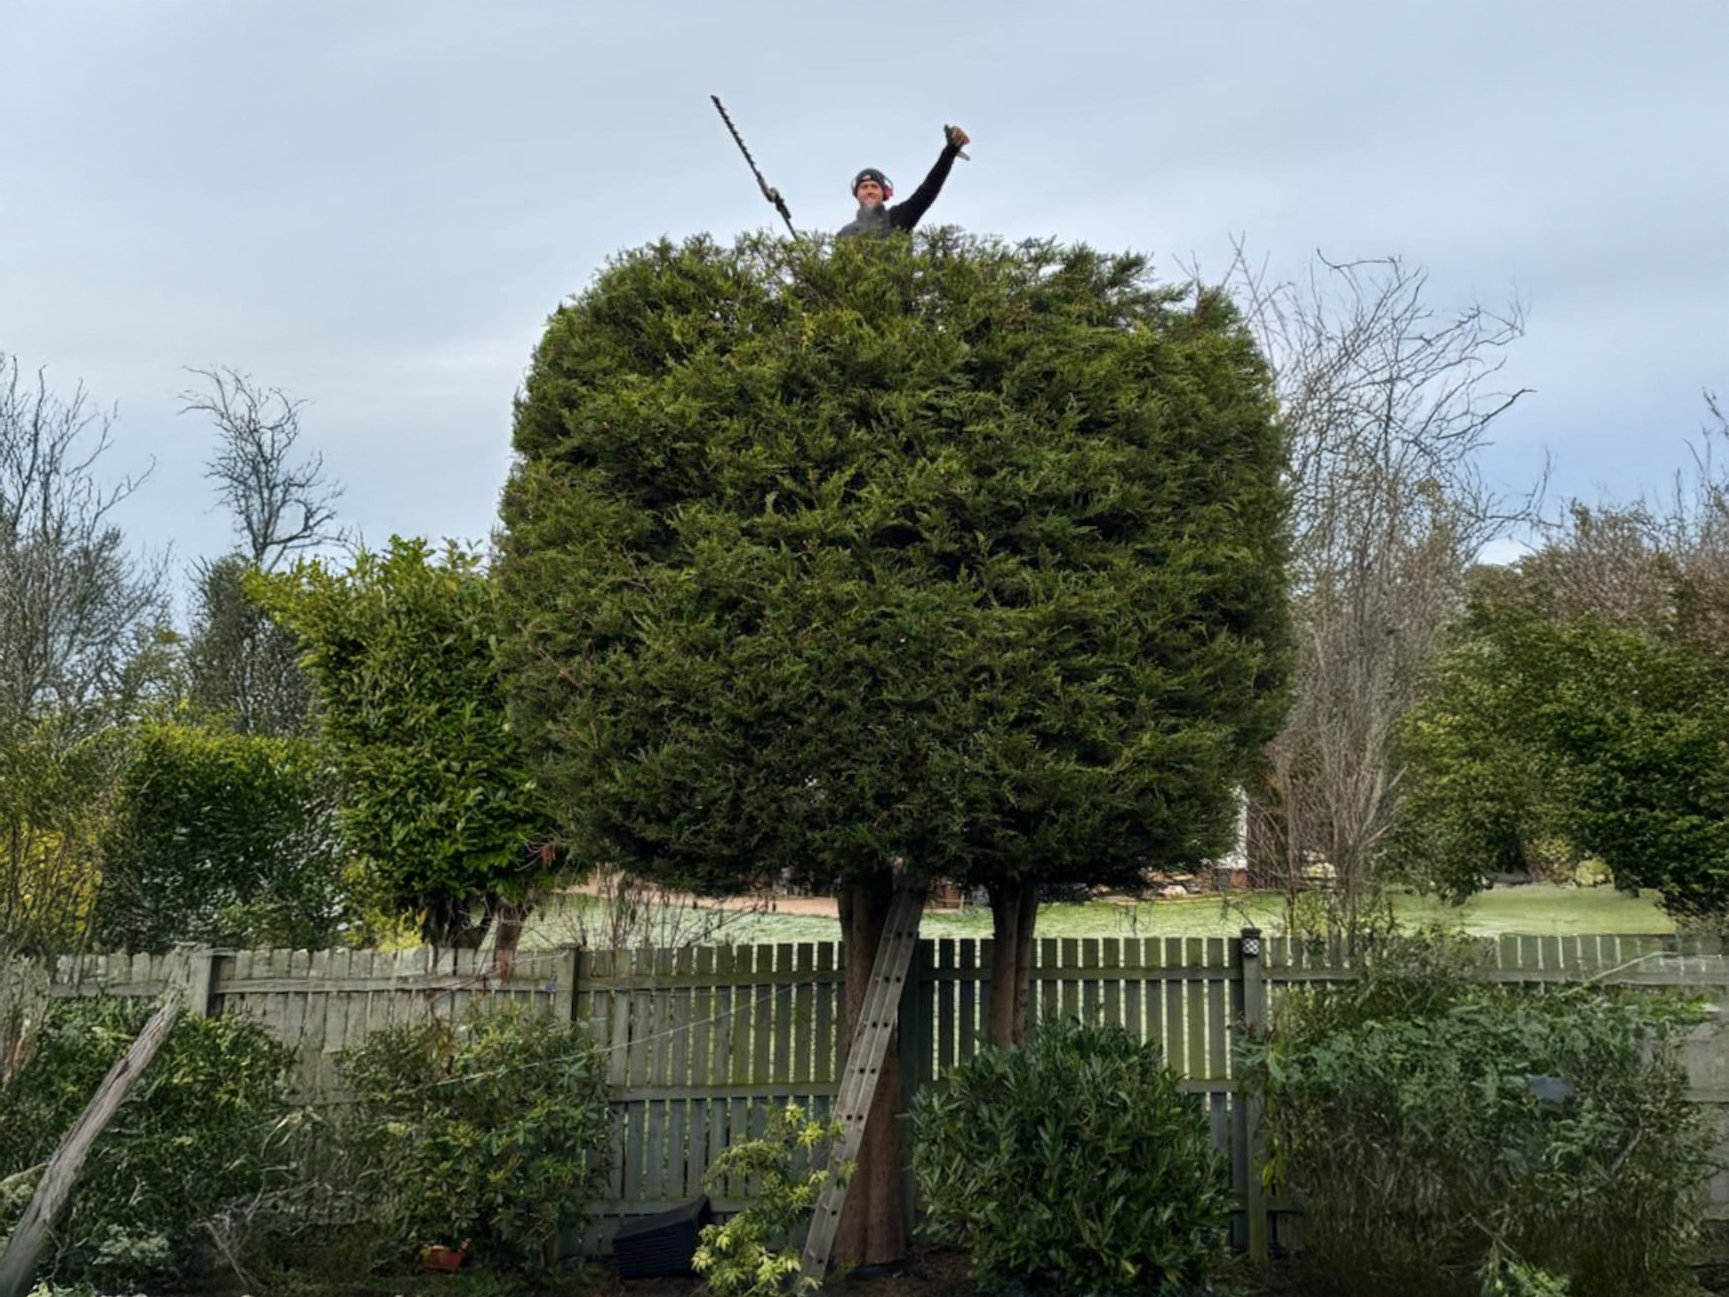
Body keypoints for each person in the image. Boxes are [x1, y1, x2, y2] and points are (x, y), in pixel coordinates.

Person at [837, 125, 971, 239]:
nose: (870, 191)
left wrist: (949, 152)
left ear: (885, 194)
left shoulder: (898, 217)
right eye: (864, 187)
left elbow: (927, 192)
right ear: (857, 194)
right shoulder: (845, 234)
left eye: (874, 186)